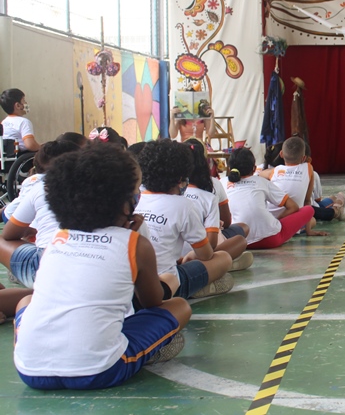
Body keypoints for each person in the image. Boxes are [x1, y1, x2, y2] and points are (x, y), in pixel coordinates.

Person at [13, 143, 192, 389]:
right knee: (179, 306)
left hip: (29, 369)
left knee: (25, 302)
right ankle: (148, 351)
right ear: (125, 201)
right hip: (100, 370)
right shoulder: (135, 243)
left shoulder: (58, 238)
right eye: (136, 188)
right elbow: (152, 303)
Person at [135, 139, 233, 299]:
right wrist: (190, 257)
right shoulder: (184, 205)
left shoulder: (135, 201)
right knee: (223, 258)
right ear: (182, 176)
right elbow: (206, 255)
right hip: (167, 282)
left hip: (136, 285)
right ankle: (197, 287)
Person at [0, 140, 82, 288]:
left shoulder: (40, 188)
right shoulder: (99, 188)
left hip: (46, 265)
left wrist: (28, 230)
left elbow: (8, 234)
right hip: (92, 266)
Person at [183, 138, 253, 272]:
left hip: (173, 257)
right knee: (240, 240)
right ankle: (220, 265)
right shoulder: (211, 189)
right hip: (198, 253)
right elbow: (213, 242)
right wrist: (214, 224)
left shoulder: (169, 192)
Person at [224, 147, 315, 249]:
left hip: (237, 241)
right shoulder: (262, 182)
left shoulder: (221, 183)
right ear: (254, 169)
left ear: (229, 168)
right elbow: (293, 207)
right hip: (270, 239)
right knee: (308, 210)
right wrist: (277, 219)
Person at [258, 136, 331, 236]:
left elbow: (260, 174)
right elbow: (307, 201)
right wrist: (309, 231)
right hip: (289, 223)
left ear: (281, 154)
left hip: (269, 220)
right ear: (304, 158)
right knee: (313, 220)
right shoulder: (308, 168)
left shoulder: (276, 171)